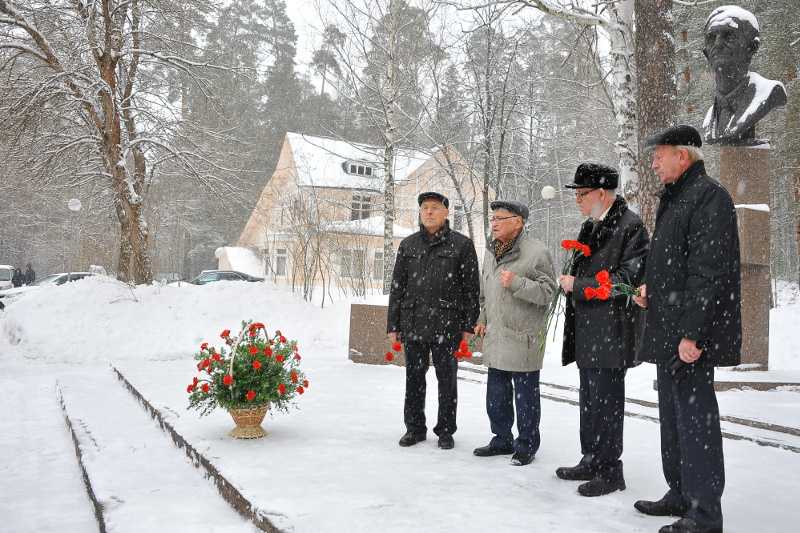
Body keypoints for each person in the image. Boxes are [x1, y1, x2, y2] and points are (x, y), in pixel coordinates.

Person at [633, 125, 741, 533]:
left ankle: (704, 513)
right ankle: (679, 493)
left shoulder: (708, 197)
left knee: (696, 424)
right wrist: (650, 289)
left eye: (660, 154)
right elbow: (673, 263)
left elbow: (707, 272)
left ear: (683, 155)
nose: (654, 162)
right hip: (669, 327)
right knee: (674, 419)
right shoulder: (676, 198)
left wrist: (693, 334)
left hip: (689, 335)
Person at [556, 163, 649, 496]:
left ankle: (611, 470)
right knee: (589, 401)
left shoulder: (630, 226)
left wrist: (577, 285)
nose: (578, 200)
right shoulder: (590, 225)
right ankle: (591, 458)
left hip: (612, 331)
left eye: (582, 194)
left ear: (601, 192)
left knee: (607, 404)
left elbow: (627, 280)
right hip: (587, 330)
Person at [387, 192, 480, 450]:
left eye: (435, 208)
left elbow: (471, 289)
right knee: (414, 378)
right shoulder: (408, 245)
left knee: (447, 380)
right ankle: (414, 429)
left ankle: (446, 430)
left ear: (446, 213)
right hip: (414, 322)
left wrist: (467, 326)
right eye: (425, 208)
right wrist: (393, 324)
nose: (429, 212)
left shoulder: (461, 245)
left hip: (447, 324)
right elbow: (397, 287)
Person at [472, 200, 556, 466]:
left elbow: (548, 293)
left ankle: (527, 444)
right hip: (497, 334)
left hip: (523, 336)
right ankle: (501, 439)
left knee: (525, 395)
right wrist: (482, 317)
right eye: (492, 218)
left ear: (518, 222)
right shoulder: (490, 250)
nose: (494, 223)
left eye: (500, 218)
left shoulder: (536, 252)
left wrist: (517, 283)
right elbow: (485, 291)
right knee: (496, 393)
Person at [702, 6, 786, 144]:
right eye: (711, 37)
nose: (717, 44)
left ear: (752, 47)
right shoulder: (710, 118)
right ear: (705, 53)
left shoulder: (771, 92)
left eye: (729, 36)